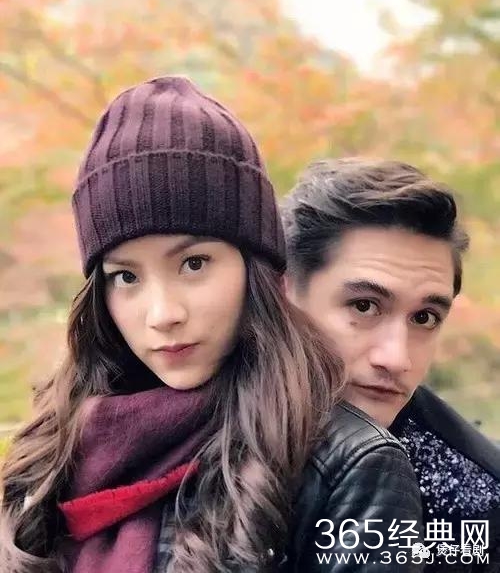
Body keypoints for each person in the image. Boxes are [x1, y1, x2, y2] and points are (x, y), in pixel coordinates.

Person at [0, 79, 423, 573]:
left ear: (256, 270)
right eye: (126, 277)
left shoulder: (348, 467)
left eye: (194, 264)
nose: (163, 314)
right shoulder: (52, 450)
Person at [282, 156, 500, 571]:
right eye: (364, 306)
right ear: (284, 294)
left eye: (424, 318)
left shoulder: (474, 508)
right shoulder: (188, 416)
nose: (397, 359)